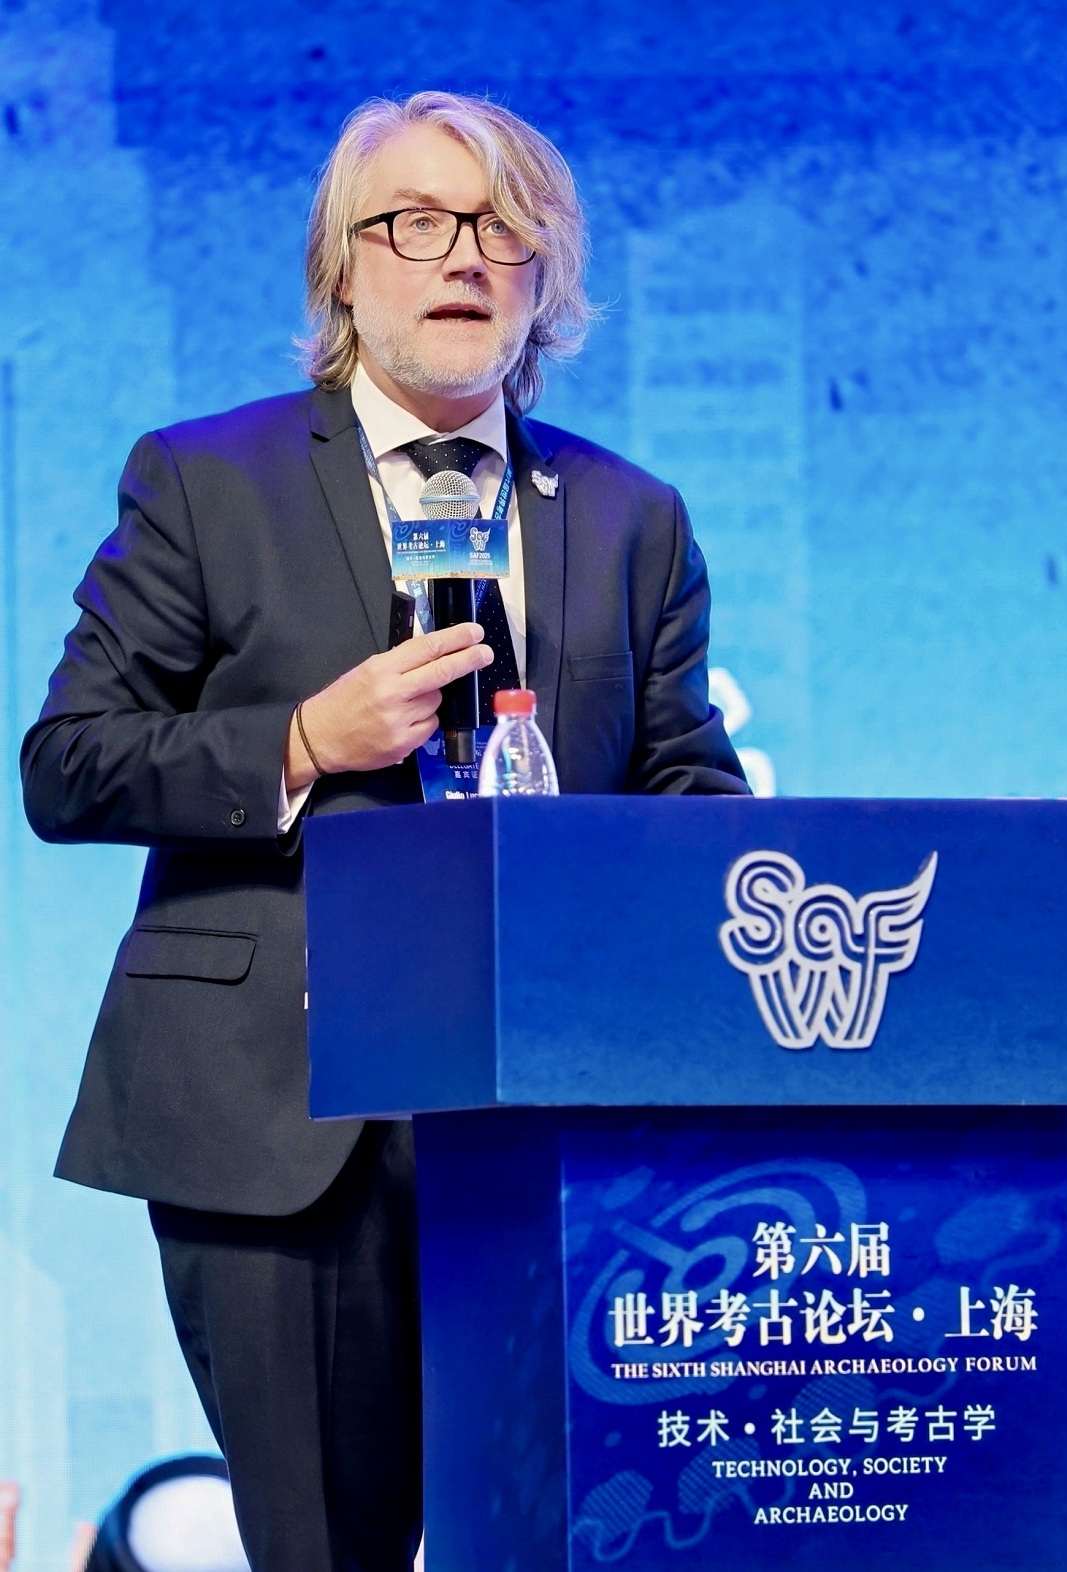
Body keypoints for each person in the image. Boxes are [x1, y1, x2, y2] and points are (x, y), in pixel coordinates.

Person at [21, 91, 748, 1572]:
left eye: (501, 229)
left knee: (565, 1533)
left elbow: (688, 787)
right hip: (280, 1116)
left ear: (545, 279)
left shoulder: (632, 518)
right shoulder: (207, 483)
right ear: (344, 267)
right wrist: (301, 740)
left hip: (546, 1123)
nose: (462, 254)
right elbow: (68, 765)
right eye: (416, 222)